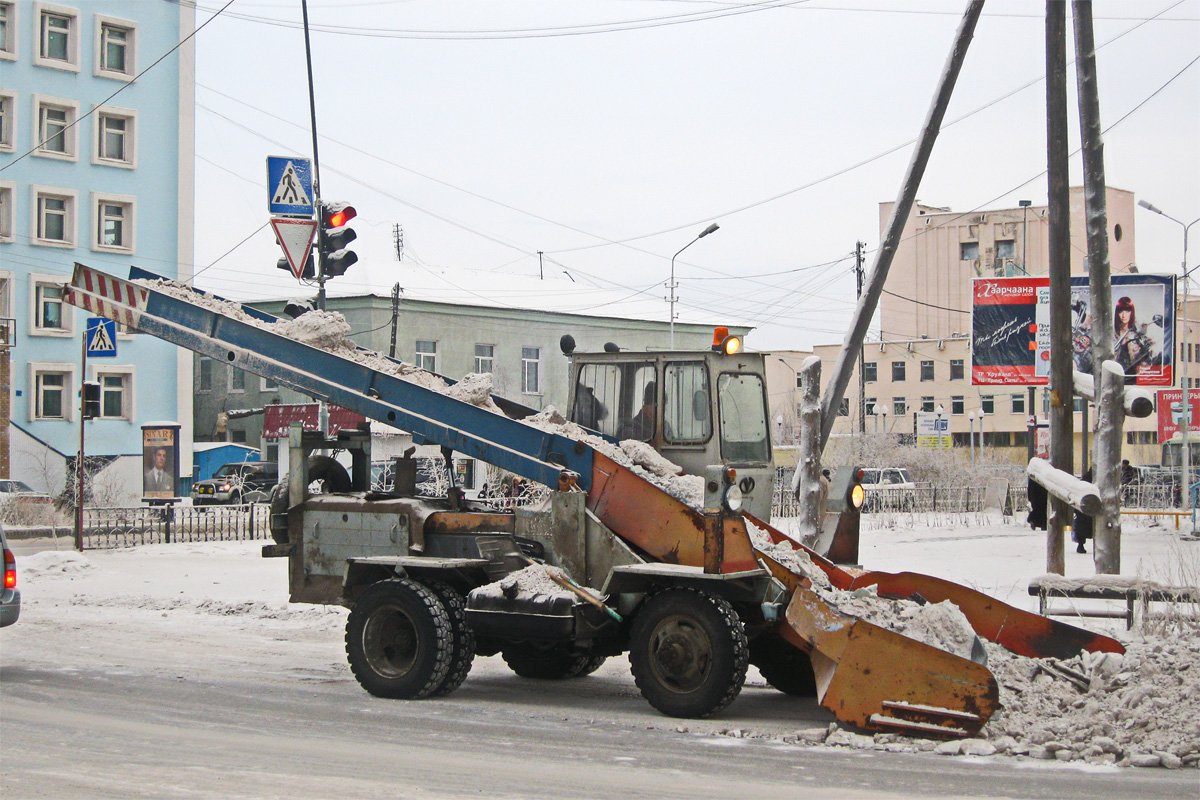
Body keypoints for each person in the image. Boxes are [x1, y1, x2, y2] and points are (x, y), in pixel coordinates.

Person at [1073, 468, 1094, 554]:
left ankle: (1080, 544)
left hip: (1082, 504)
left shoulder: (1084, 480)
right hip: (1092, 504)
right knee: (1095, 525)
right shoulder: (1096, 480)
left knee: (1081, 525)